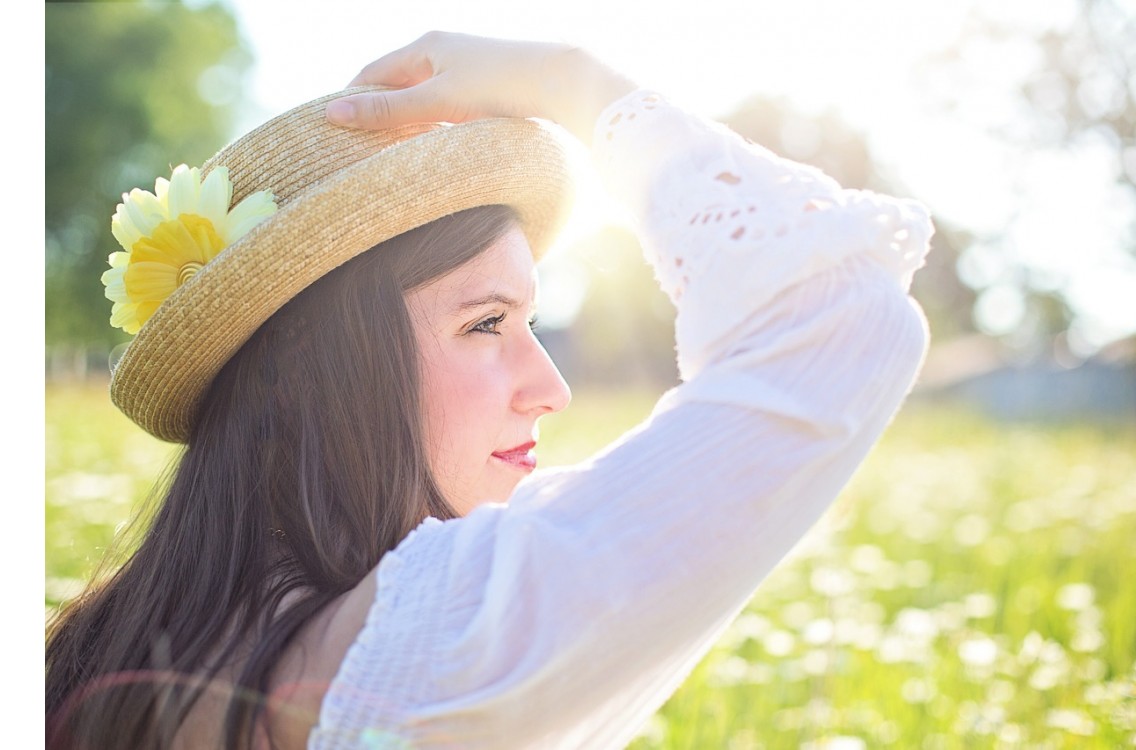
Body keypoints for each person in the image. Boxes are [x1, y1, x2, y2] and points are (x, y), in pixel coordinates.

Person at [46, 31, 933, 750]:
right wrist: (575, 83)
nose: (548, 389)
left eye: (532, 326)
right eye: (484, 325)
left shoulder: (99, 646)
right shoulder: (431, 647)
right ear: (310, 371)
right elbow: (849, 322)